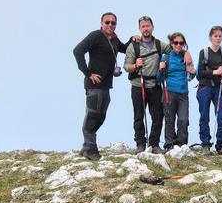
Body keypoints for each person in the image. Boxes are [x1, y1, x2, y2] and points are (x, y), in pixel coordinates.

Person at [124, 16, 193, 154]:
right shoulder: (134, 46)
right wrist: (134, 65)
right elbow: (126, 66)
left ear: (152, 27)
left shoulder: (159, 44)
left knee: (158, 116)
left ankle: (154, 144)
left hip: (155, 84)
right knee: (139, 115)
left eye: (148, 26)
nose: (146, 28)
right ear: (139, 28)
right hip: (138, 84)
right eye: (143, 26)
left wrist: (186, 52)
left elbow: (176, 48)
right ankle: (140, 144)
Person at [73, 12, 131, 160]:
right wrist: (88, 73)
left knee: (101, 116)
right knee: (93, 115)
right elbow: (77, 51)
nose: (110, 25)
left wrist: (133, 40)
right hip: (94, 85)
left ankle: (86, 147)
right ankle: (91, 150)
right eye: (107, 22)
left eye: (113, 23)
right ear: (101, 23)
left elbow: (124, 48)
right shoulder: (95, 36)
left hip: (106, 85)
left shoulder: (114, 39)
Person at [157, 32, 196, 150]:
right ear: (171, 43)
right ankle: (169, 145)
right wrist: (160, 69)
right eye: (176, 43)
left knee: (183, 120)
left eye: (181, 43)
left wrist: (193, 72)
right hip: (169, 92)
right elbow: (159, 78)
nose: (178, 45)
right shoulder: (166, 57)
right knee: (169, 119)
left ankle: (182, 145)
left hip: (183, 92)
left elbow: (190, 77)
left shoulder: (186, 57)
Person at [196, 26, 222, 155]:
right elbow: (200, 73)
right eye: (215, 36)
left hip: (220, 88)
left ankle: (221, 145)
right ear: (210, 37)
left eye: (220, 36)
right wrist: (216, 72)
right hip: (205, 87)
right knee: (204, 116)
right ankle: (205, 144)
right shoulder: (204, 52)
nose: (217, 38)